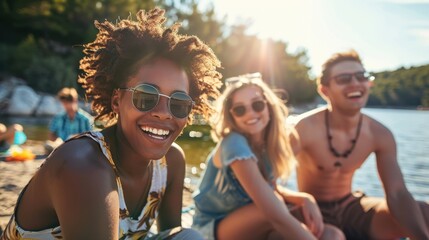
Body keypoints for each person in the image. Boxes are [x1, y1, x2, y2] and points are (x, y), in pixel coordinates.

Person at [0, 8, 221, 239]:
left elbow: (170, 234)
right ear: (117, 100)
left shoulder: (171, 162)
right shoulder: (82, 166)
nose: (164, 114)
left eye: (179, 103)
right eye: (146, 97)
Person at [290, 50, 429, 239]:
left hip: (351, 207)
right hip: (310, 210)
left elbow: (396, 193)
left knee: (424, 212)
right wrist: (300, 200)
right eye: (344, 79)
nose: (355, 83)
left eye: (361, 76)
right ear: (324, 90)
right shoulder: (303, 128)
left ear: (369, 83)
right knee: (333, 237)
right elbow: (269, 181)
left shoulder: (379, 134)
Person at [192, 73, 344, 240]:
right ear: (232, 115)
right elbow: (273, 213)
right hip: (211, 229)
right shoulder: (234, 144)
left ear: (268, 106)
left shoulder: (269, 145)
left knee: (332, 235)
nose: (250, 114)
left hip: (253, 224)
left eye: (257, 105)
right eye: (240, 109)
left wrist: (304, 198)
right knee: (273, 209)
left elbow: (270, 188)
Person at [44, 87, 92, 153]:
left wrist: (76, 137)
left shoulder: (86, 119)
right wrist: (56, 140)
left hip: (78, 148)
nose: (66, 105)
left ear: (75, 100)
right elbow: (51, 134)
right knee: (47, 144)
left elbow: (90, 140)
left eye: (68, 101)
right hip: (60, 147)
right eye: (64, 102)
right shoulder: (57, 117)